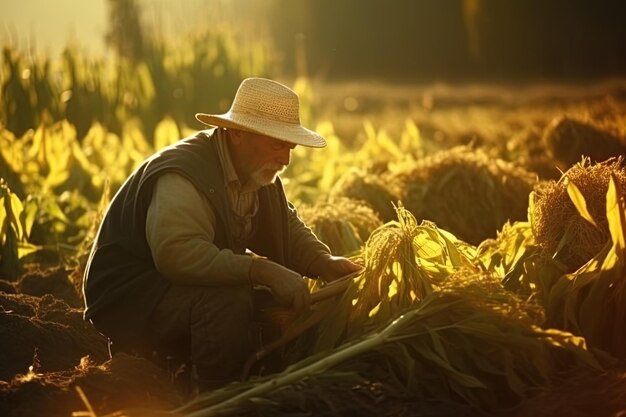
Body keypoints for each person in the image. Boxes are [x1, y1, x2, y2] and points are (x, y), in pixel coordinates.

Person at [82, 77, 362, 390]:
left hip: (174, 288)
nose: (285, 159)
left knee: (264, 304)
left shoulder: (256, 174)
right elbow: (176, 254)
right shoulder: (184, 175)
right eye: (277, 144)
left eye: (290, 147)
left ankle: (198, 369)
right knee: (228, 301)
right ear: (239, 133)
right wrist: (261, 269)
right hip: (132, 297)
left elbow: (286, 226)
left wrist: (323, 262)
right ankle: (215, 395)